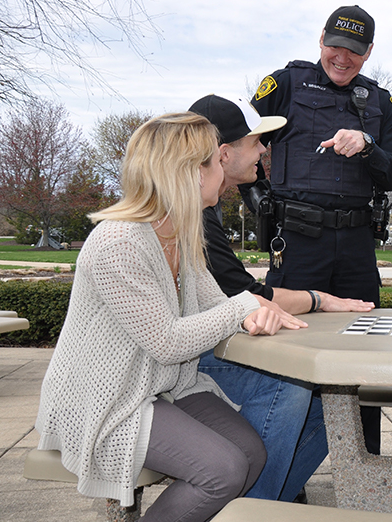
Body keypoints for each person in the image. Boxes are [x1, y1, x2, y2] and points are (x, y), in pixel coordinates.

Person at [35, 113, 290, 522]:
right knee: (222, 471)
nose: (222, 167)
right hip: (107, 399)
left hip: (163, 386)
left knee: (250, 454)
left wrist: (252, 315)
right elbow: (168, 343)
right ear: (186, 172)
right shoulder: (119, 240)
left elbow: (214, 305)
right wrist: (245, 307)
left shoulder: (180, 232)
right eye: (213, 160)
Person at [187, 94, 374, 501]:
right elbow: (246, 297)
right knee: (289, 386)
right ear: (223, 153)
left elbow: (239, 296)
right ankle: (255, 506)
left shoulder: (204, 207)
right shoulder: (192, 213)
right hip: (171, 368)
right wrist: (320, 301)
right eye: (255, 141)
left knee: (336, 403)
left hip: (190, 349)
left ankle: (264, 503)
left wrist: (316, 299)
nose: (264, 149)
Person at [249, 5, 392, 454]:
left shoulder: (378, 101)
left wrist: (368, 145)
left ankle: (368, 462)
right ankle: (282, 469)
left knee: (366, 352)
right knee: (286, 357)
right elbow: (236, 145)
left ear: (369, 52)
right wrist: (256, 197)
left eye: (355, 51)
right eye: (336, 46)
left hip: (356, 246)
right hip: (298, 240)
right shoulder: (285, 84)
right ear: (321, 39)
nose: (343, 58)